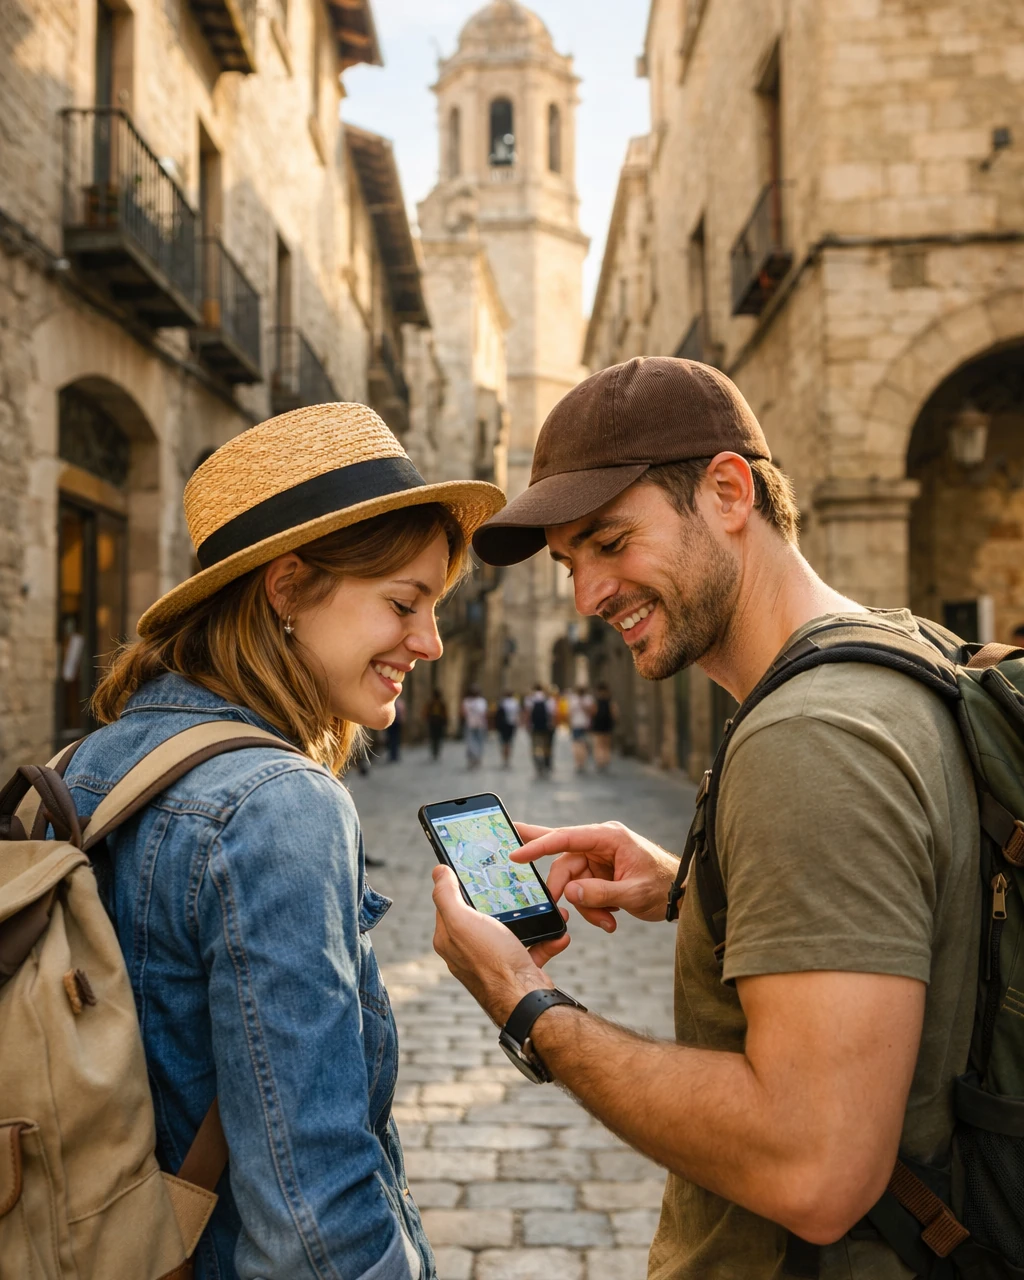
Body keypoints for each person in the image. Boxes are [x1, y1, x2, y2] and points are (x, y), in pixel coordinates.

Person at [430, 357, 981, 1279]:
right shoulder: (905, 654)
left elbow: (816, 1166)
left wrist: (527, 1006)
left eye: (611, 542)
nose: (589, 595)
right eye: (571, 564)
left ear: (729, 491)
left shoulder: (810, 738)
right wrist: (705, 889)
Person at [64, 402, 503, 1279]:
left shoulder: (85, 762)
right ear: (289, 586)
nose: (430, 641)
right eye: (404, 603)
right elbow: (315, 1227)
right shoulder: (278, 806)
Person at [524, 682, 555, 777]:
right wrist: (552, 724)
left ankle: (538, 764)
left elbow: (528, 713)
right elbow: (552, 713)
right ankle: (546, 762)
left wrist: (527, 724)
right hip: (546, 726)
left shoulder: (530, 699)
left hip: (534, 726)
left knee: (535, 745)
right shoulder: (548, 699)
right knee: (546, 745)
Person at [567, 684, 595, 772]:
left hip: (585, 725)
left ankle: (582, 761)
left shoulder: (588, 699)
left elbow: (591, 712)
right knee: (577, 744)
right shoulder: (573, 699)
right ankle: (578, 762)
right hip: (576, 725)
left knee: (583, 744)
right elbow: (570, 713)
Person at [461, 683, 489, 769]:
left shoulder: (480, 701)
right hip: (472, 724)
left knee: (476, 742)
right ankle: (473, 758)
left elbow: (484, 714)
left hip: (478, 725)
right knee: (472, 742)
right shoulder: (468, 701)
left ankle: (476, 758)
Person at [591, 681, 617, 771]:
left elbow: (593, 712)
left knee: (598, 744)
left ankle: (599, 761)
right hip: (607, 724)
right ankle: (606, 760)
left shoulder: (596, 701)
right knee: (606, 744)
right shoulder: (610, 700)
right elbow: (614, 713)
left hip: (598, 725)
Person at [495, 688, 521, 768]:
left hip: (503, 725)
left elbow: (498, 715)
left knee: (504, 742)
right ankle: (507, 758)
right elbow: (517, 714)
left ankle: (505, 757)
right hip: (512, 725)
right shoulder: (515, 703)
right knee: (509, 742)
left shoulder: (502, 703)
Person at [425, 688, 449, 760]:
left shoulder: (441, 704)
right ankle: (434, 751)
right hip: (433, 722)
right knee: (434, 738)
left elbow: (444, 713)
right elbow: (427, 712)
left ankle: (436, 751)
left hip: (439, 722)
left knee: (437, 738)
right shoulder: (431, 703)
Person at [387, 693, 405, 761]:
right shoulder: (400, 703)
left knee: (392, 739)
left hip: (393, 724)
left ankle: (393, 755)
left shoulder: (391, 702)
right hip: (396, 724)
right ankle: (394, 755)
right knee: (395, 739)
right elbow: (403, 714)